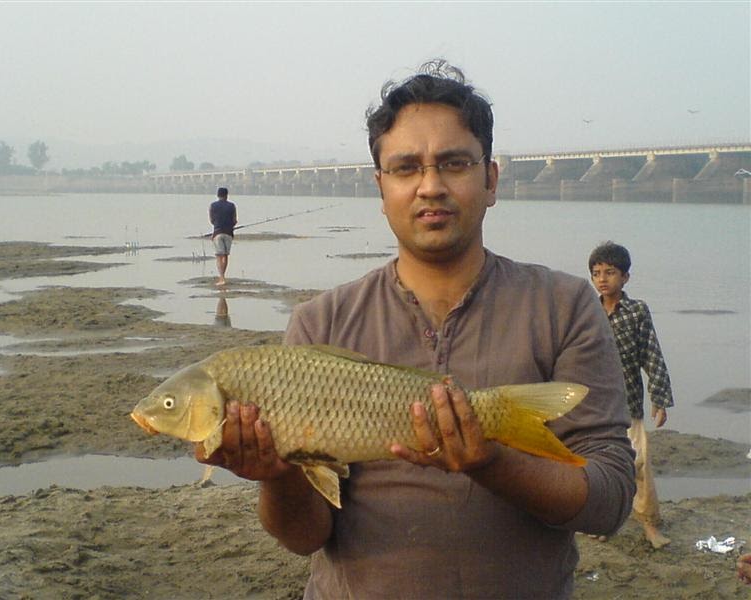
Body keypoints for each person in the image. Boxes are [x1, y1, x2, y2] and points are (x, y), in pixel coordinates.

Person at [196, 60, 635, 598]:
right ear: (381, 188)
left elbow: (610, 501)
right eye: (406, 168)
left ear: (490, 179)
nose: (430, 186)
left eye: (453, 163)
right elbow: (306, 537)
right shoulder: (322, 323)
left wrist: (491, 461)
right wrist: (277, 474)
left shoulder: (564, 306)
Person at [588, 241, 674, 549]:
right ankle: (604, 522)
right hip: (595, 405)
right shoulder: (588, 310)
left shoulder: (636, 311)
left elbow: (651, 354)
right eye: (597, 273)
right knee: (601, 465)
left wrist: (660, 398)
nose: (602, 279)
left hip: (630, 404)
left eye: (610, 272)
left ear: (625, 277)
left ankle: (650, 525)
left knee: (639, 463)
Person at [209, 187, 237, 286]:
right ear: (226, 195)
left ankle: (221, 277)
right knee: (225, 255)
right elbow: (234, 221)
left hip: (217, 233)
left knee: (219, 256)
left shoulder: (212, 205)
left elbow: (212, 220)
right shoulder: (232, 206)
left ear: (217, 195)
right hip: (229, 233)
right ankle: (223, 277)